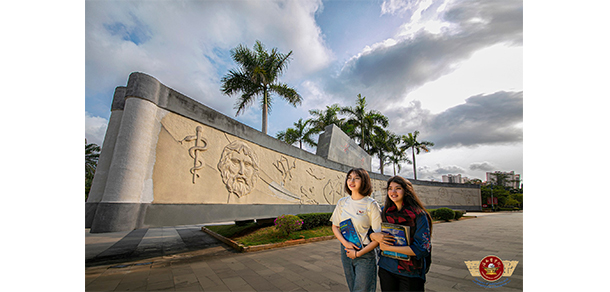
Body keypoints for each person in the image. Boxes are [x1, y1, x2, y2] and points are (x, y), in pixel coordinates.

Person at [370, 176, 432, 292]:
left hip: (410, 272)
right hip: (386, 268)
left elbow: (422, 248)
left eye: (397, 188)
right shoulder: (384, 212)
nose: (393, 192)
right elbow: (370, 231)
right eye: (390, 188)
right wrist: (374, 236)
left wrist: (389, 247)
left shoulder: (418, 215)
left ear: (406, 191)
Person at [330, 168, 382, 292]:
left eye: (356, 178)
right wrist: (345, 244)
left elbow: (378, 236)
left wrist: (358, 253)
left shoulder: (371, 204)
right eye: (349, 178)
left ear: (364, 181)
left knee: (362, 289)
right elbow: (335, 226)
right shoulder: (342, 202)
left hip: (365, 252)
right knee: (352, 286)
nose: (351, 181)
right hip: (346, 250)